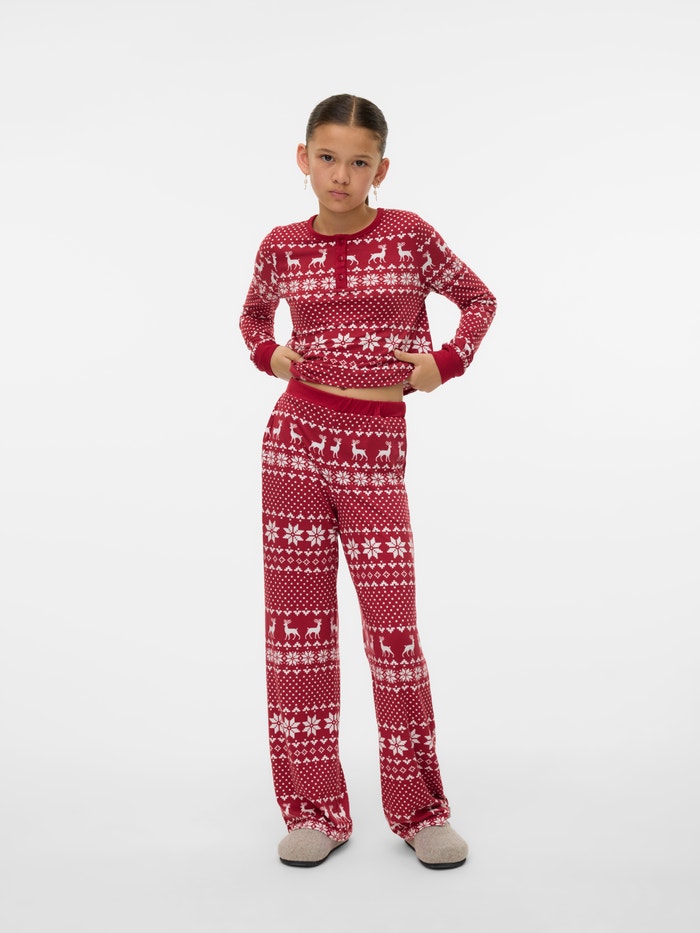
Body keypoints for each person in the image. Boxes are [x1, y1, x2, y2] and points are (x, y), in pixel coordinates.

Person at [239, 93, 496, 869]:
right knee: (298, 631)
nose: (341, 175)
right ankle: (315, 809)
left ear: (381, 169)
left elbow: (478, 299)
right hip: (294, 441)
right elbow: (253, 317)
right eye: (327, 158)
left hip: (376, 446)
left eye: (358, 162)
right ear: (303, 158)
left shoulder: (409, 235)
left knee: (393, 631)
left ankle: (420, 811)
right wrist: (270, 354)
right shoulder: (282, 245)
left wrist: (444, 363)